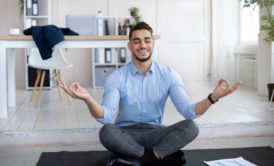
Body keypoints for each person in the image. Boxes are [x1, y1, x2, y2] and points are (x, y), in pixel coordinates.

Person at [60, 22, 241, 166]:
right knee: (107, 132)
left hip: (156, 133)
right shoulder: (116, 77)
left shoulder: (169, 74)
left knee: (190, 126)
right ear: (129, 46)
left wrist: (213, 97)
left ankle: (135, 160)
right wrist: (88, 99)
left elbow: (189, 111)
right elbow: (106, 116)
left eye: (147, 40)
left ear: (153, 44)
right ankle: (158, 156)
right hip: (126, 134)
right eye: (137, 41)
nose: (142, 45)